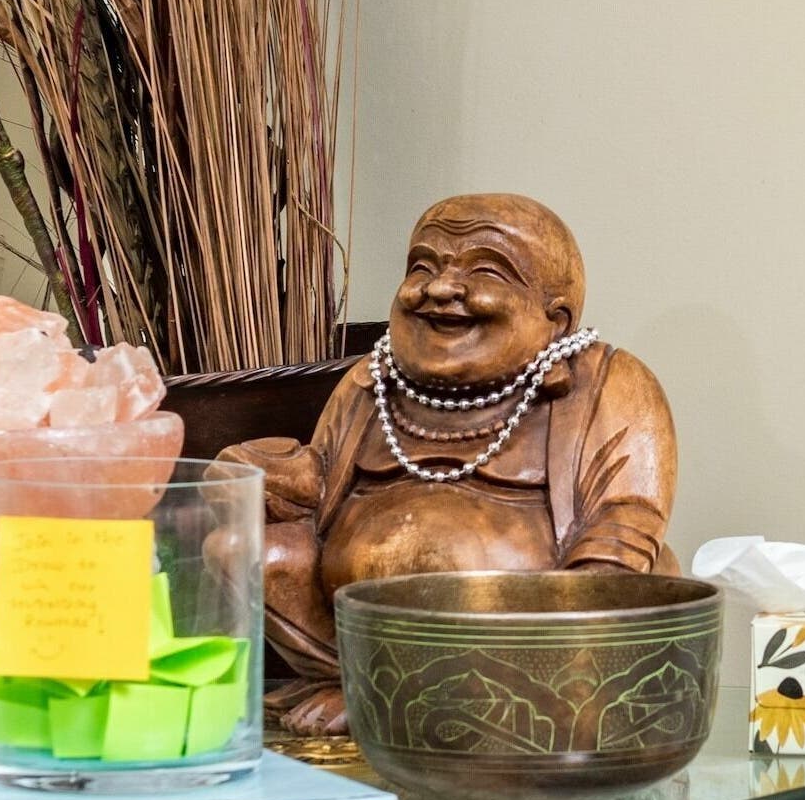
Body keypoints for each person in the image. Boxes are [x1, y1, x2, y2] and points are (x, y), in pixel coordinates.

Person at [225, 194, 677, 732]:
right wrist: (265, 480)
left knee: (627, 590)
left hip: (533, 647)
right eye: (424, 266)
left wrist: (571, 634)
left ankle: (481, 702)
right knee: (244, 544)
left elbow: (627, 519)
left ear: (555, 319)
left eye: (484, 270)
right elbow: (319, 478)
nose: (439, 288)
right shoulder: (370, 379)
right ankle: (360, 685)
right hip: (356, 631)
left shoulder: (607, 383)